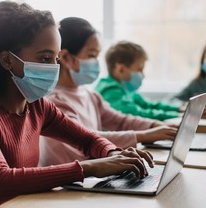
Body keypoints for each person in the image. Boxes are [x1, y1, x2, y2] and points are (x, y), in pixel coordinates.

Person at [0, 1, 153, 208]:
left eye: (55, 59)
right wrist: (90, 167)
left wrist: (115, 155)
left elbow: (87, 139)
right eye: (44, 58)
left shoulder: (37, 106)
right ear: (7, 61)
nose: (53, 68)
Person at [40, 17, 177, 165]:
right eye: (91, 55)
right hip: (70, 184)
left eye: (97, 56)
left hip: (92, 175)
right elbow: (87, 138)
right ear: (66, 57)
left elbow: (121, 121)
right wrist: (144, 135)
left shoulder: (90, 95)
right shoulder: (55, 101)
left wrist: (155, 125)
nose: (96, 62)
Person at [95, 41, 182, 121]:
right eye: (139, 69)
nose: (143, 75)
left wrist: (178, 109)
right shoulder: (110, 91)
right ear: (121, 69)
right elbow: (137, 114)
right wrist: (177, 116)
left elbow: (147, 104)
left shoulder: (126, 88)